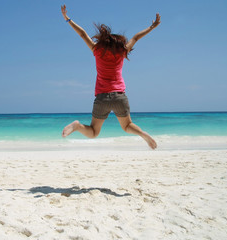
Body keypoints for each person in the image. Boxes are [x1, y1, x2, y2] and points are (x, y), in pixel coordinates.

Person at [60, 5, 160, 149]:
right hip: (119, 96)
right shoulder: (122, 51)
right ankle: (142, 134)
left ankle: (77, 126)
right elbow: (136, 37)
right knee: (127, 126)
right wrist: (152, 27)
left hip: (102, 97)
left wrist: (67, 19)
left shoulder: (97, 50)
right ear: (118, 42)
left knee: (93, 132)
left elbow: (82, 34)